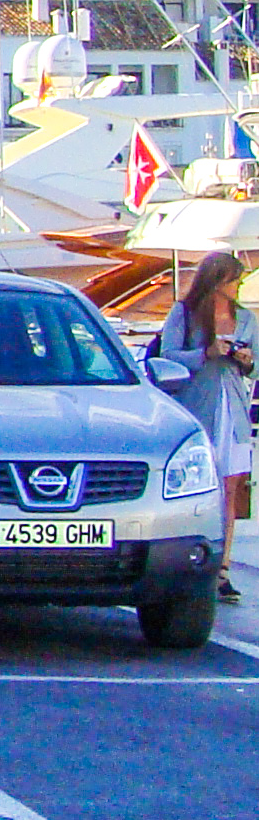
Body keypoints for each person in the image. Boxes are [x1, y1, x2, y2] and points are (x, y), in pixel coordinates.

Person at [150, 251, 253, 600]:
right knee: (202, 486)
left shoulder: (246, 319)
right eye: (234, 280)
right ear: (218, 280)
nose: (238, 286)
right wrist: (205, 354)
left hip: (234, 411)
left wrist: (246, 360)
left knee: (230, 488)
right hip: (197, 407)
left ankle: (222, 570)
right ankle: (196, 561)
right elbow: (166, 355)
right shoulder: (184, 313)